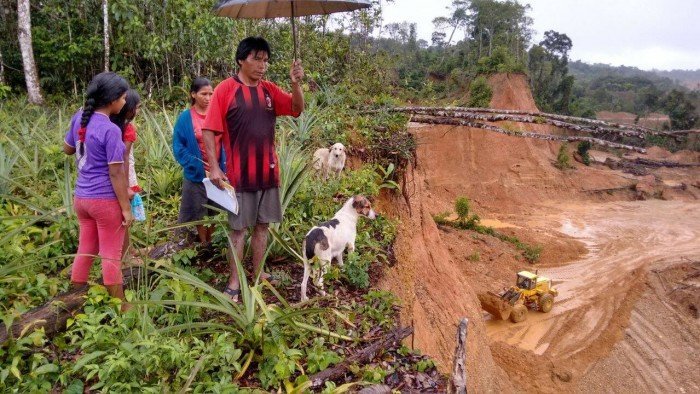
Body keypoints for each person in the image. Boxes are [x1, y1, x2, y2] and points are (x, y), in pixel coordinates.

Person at [202, 37, 304, 301]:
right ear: (241, 60)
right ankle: (235, 282)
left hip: (268, 173)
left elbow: (296, 108)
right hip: (239, 176)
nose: (262, 65)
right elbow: (209, 130)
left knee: (262, 227)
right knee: (238, 230)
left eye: (266, 60)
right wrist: (214, 167)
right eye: (256, 59)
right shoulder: (226, 90)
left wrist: (296, 83)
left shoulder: (269, 90)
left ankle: (258, 275)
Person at [63, 72, 133, 311]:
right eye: (123, 98)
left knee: (86, 248)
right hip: (104, 201)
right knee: (111, 254)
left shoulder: (78, 118)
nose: (124, 102)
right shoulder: (111, 129)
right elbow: (116, 173)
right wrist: (125, 208)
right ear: (113, 99)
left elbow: (68, 149)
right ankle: (121, 306)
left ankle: (73, 296)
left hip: (82, 198)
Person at [173, 77, 226, 245]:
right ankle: (204, 243)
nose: (208, 98)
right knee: (198, 210)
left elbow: (227, 141)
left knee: (217, 208)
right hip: (196, 173)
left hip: (218, 171)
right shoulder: (185, 118)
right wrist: (194, 164)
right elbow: (178, 146)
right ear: (193, 94)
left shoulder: (219, 115)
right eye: (204, 94)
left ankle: (215, 242)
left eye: (211, 94)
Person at [110, 89, 142, 264]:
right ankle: (125, 256)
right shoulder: (127, 128)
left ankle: (128, 250)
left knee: (122, 217)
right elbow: (124, 158)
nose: (138, 111)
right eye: (137, 107)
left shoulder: (110, 124)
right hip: (123, 177)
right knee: (124, 216)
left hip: (113, 177)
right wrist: (128, 185)